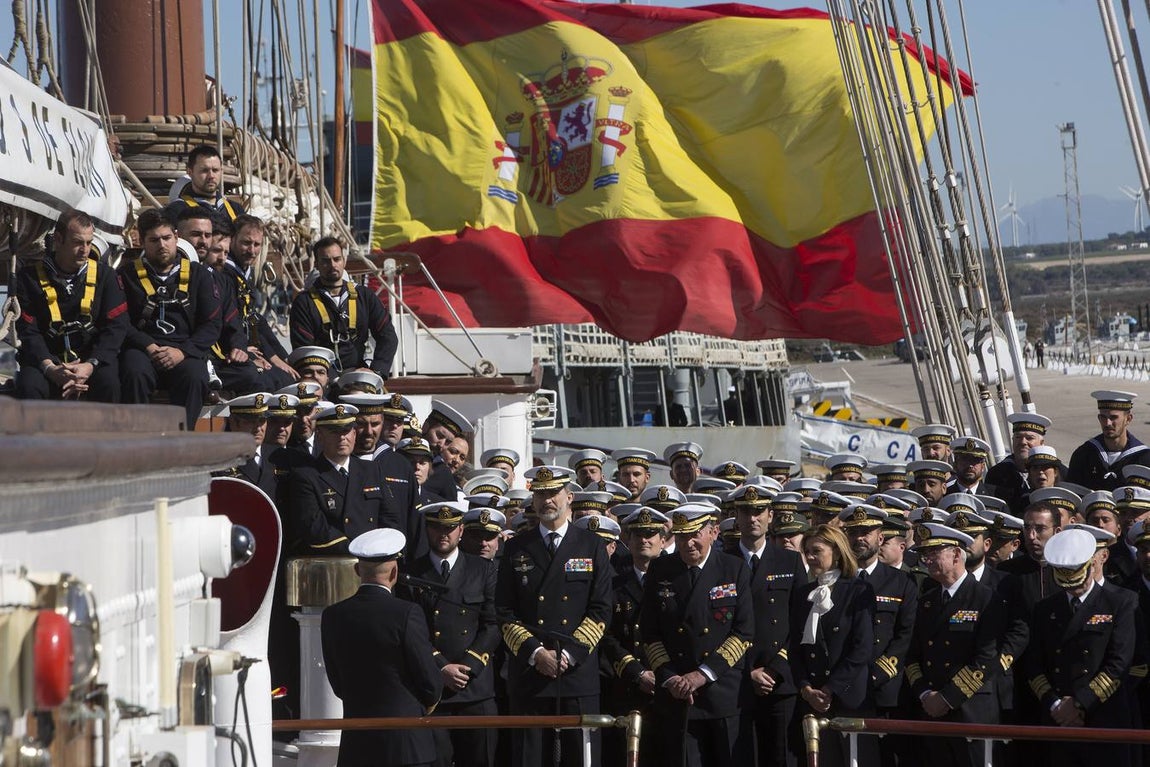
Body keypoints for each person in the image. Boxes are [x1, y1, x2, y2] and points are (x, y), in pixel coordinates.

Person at [495, 465, 613, 767]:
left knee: (580, 758)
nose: (547, 499)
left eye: (553, 493)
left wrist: (568, 655)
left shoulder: (591, 545)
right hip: (530, 673)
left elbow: (600, 608)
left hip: (576, 673)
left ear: (569, 497)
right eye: (541, 494)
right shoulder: (516, 548)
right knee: (529, 758)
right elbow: (505, 612)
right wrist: (536, 653)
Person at [640, 503, 754, 765]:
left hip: (721, 691)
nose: (688, 543)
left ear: (713, 532)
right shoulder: (661, 570)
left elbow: (743, 632)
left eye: (694, 535)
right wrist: (670, 678)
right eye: (681, 536)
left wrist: (702, 675)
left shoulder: (733, 568)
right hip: (678, 692)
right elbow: (650, 632)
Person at [321, 528, 441, 767]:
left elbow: (337, 683)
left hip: (358, 744)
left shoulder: (333, 615)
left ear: (357, 570)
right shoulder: (407, 613)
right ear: (395, 572)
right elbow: (430, 682)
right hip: (406, 745)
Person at [1023, 529, 1137, 766]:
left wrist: (1079, 704)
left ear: (1091, 565)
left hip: (1103, 716)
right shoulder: (1045, 609)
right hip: (1058, 718)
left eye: (1077, 579)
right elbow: (1034, 664)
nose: (1073, 588)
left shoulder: (1120, 602)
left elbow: (1119, 663)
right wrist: (1056, 704)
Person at [399, 501, 500, 767]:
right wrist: (441, 667)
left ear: (461, 530)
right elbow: (411, 632)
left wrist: (468, 667)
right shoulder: (410, 573)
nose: (443, 534)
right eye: (436, 527)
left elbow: (492, 624)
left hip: (475, 687)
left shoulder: (483, 569)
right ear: (427, 529)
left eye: (450, 528)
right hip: (433, 687)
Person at [905, 523, 1006, 767]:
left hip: (971, 710)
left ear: (957, 555)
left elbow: (986, 657)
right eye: (923, 555)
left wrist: (948, 698)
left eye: (933, 553)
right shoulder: (927, 601)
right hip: (932, 710)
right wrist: (925, 694)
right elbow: (913, 655)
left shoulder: (985, 597)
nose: (926, 560)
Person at [118, 208, 220, 426]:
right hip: (144, 349)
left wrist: (182, 352)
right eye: (154, 240)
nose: (162, 245)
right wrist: (148, 346)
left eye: (166, 238)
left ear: (176, 237)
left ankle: (181, 440)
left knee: (195, 377)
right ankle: (136, 441)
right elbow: (120, 322)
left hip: (183, 349)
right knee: (133, 372)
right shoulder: (126, 276)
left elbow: (211, 325)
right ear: (143, 243)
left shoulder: (199, 276)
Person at [14, 209, 127, 402]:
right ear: (58, 239)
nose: (85, 250)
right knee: (29, 386)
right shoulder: (29, 278)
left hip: (91, 359)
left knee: (109, 383)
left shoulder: (106, 277)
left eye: (89, 242)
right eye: (77, 242)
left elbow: (116, 327)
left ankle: (106, 432)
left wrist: (89, 365)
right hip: (48, 360)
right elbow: (28, 330)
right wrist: (50, 368)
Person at [729, 485, 804, 767]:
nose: (753, 518)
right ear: (736, 516)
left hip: (779, 681)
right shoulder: (723, 560)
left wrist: (774, 669)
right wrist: (748, 670)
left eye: (759, 511)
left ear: (770, 515)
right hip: (736, 679)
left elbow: (800, 622)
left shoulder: (790, 559)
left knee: (781, 758)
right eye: (746, 512)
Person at [788, 523, 875, 766]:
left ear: (836, 552)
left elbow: (863, 647)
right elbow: (795, 647)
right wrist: (806, 687)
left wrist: (831, 688)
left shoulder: (858, 590)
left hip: (849, 698)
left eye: (817, 551)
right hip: (814, 700)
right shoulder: (804, 593)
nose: (810, 557)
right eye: (807, 552)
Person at [839, 503, 918, 766]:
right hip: (844, 688)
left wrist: (878, 673)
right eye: (853, 532)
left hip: (884, 689)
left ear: (880, 537)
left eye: (866, 532)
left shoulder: (901, 582)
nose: (859, 538)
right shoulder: (836, 579)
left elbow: (905, 635)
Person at [285, 402, 406, 555]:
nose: (342, 437)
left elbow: (390, 517)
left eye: (346, 430)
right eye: (334, 431)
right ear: (320, 436)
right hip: (335, 561)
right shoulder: (307, 476)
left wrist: (383, 549)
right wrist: (356, 549)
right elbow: (314, 526)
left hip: (372, 559)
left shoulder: (371, 470)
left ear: (354, 434)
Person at [600, 506, 667, 767]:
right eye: (638, 534)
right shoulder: (614, 585)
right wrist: (636, 672)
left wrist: (662, 673)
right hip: (627, 685)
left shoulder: (679, 582)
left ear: (663, 540)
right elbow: (606, 636)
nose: (644, 540)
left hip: (667, 685)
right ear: (626, 540)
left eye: (651, 534)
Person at [289, 236, 398, 377]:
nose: (333, 265)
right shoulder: (304, 303)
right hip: (321, 377)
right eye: (326, 261)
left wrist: (376, 371)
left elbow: (387, 336)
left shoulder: (365, 297)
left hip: (358, 373)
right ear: (316, 264)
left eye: (337, 259)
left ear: (344, 261)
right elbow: (304, 349)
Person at [220, 215, 296, 388]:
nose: (252, 251)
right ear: (232, 239)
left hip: (249, 343)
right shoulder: (226, 274)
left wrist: (280, 356)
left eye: (257, 244)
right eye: (246, 243)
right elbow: (233, 320)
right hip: (233, 348)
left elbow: (254, 318)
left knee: (289, 376)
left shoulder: (244, 272)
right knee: (280, 381)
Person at [1067, 391, 1150, 491]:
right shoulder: (1084, 455)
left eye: (1113, 417)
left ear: (1128, 419)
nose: (1108, 423)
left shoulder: (1144, 459)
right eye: (1103, 417)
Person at [164, 144, 247, 226]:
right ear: (190, 172)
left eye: (215, 170)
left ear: (221, 171)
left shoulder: (235, 210)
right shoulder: (176, 211)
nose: (211, 176)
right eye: (204, 170)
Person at [986, 413, 1052, 513]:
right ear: (1012, 440)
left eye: (1029, 438)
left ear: (1042, 443)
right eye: (1018, 437)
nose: (1023, 442)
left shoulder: (1057, 471)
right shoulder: (998, 475)